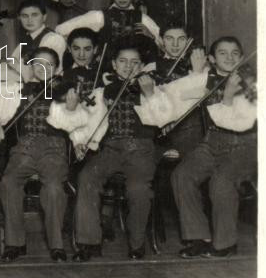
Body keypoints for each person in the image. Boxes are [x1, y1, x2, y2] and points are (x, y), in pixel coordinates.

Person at [51, 39, 177, 261]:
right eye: (123, 61)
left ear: (141, 66)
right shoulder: (101, 92)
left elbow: (164, 119)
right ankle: (88, 243)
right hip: (109, 149)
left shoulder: (154, 89)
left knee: (138, 188)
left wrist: (149, 95)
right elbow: (86, 120)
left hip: (141, 149)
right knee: (87, 177)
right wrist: (80, 140)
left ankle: (136, 245)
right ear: (114, 64)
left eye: (134, 63)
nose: (128, 66)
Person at [169, 37, 257, 258]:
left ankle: (225, 243)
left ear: (242, 56)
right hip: (211, 141)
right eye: (223, 53)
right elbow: (171, 93)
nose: (229, 58)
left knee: (221, 181)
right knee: (182, 174)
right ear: (212, 59)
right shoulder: (206, 78)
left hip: (244, 145)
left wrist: (227, 95)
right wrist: (195, 75)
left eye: (235, 53)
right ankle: (199, 238)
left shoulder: (252, 83)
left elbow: (243, 122)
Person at [0, 47, 72, 262]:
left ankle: (56, 244)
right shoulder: (18, 89)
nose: (43, 69)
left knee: (52, 187)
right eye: (38, 64)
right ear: (30, 67)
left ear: (57, 68)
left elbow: (76, 120)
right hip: (24, 147)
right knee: (8, 182)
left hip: (54, 148)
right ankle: (15, 242)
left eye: (49, 65)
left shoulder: (64, 91)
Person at [55, 0, 162, 57]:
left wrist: (151, 36)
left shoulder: (143, 18)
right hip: (105, 69)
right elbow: (60, 30)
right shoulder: (99, 16)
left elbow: (164, 46)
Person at [153, 24, 205, 159]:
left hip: (190, 128)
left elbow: (200, 96)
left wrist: (198, 72)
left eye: (181, 39)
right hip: (161, 128)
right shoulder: (151, 66)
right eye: (169, 38)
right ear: (160, 40)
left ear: (188, 41)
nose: (175, 44)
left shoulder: (199, 64)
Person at [13, 0, 67, 72]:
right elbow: (12, 66)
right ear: (19, 18)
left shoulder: (53, 39)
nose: (29, 20)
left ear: (44, 17)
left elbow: (52, 71)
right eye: (25, 16)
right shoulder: (24, 42)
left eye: (34, 15)